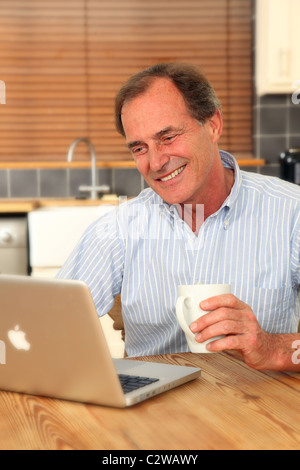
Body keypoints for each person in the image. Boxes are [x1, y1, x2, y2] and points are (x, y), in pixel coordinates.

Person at [57, 63, 300, 371]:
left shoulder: (291, 213)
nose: (156, 162)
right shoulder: (119, 228)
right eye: (139, 148)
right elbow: (48, 325)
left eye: (168, 137)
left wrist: (273, 347)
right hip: (153, 411)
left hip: (261, 411)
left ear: (213, 125)